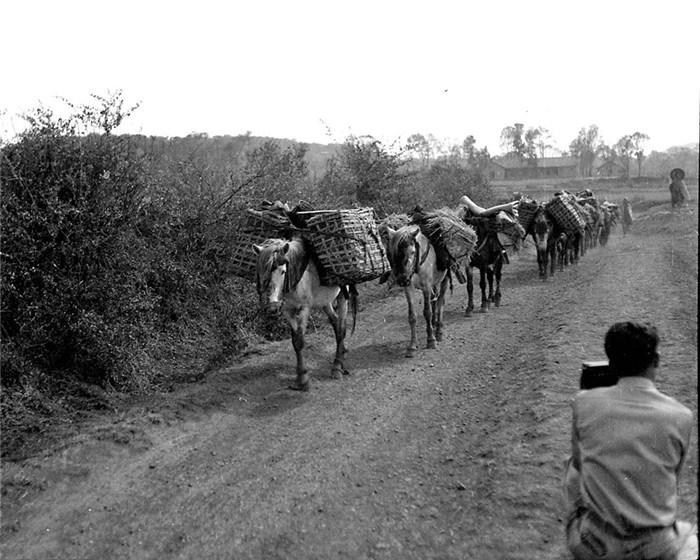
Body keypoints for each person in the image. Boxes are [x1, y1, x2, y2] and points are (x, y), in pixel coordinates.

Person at [564, 321, 697, 560]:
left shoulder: (583, 403)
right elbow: (674, 480)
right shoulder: (682, 416)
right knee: (689, 537)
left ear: (611, 362)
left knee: (572, 463)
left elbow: (581, 465)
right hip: (657, 545)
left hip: (597, 543)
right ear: (656, 361)